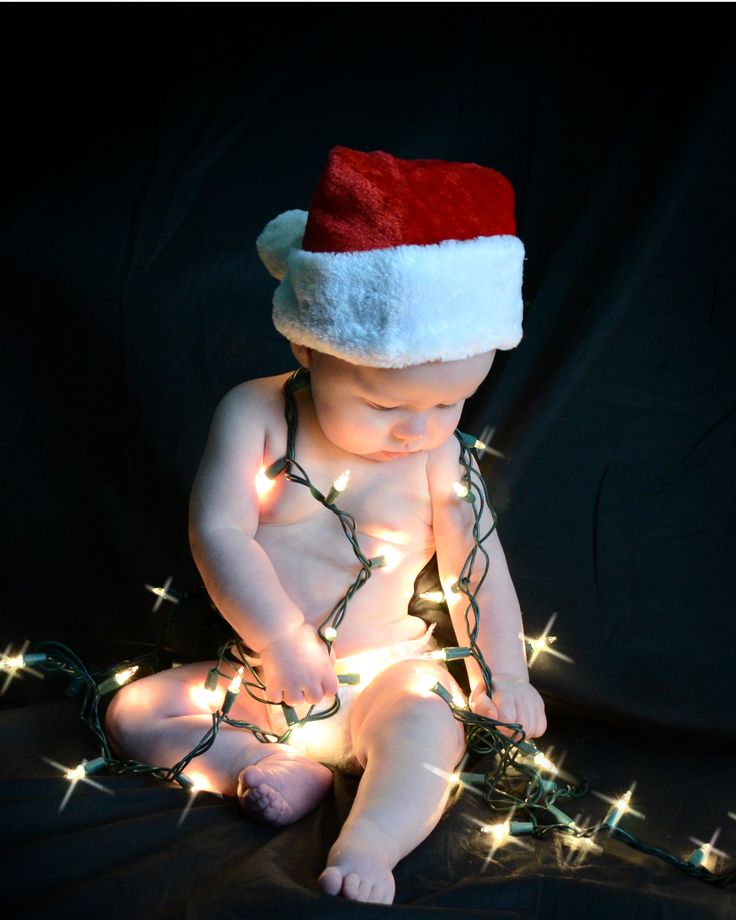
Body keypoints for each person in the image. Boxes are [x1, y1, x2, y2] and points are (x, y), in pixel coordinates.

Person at [106, 146, 547, 905]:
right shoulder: (258, 414)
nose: (420, 428)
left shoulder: (442, 457)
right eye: (385, 404)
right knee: (136, 712)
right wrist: (279, 639)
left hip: (384, 674)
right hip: (264, 676)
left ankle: (371, 838)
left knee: (428, 725)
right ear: (308, 345)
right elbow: (219, 530)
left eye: (451, 403)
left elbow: (476, 565)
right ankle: (261, 768)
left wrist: (502, 674)